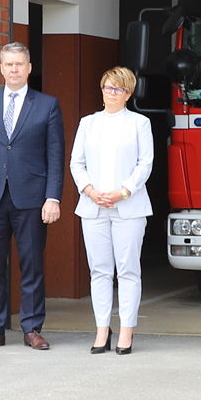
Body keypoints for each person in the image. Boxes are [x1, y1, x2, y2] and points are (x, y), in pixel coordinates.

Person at [0, 42, 65, 350]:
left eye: (19, 64)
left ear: (29, 68)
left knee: (32, 265)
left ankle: (32, 328)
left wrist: (53, 197)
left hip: (32, 197)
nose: (14, 69)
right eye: (9, 64)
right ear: (1, 68)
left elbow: (55, 155)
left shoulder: (47, 105)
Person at [69, 67, 156, 355]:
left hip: (129, 205)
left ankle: (127, 330)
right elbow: (76, 162)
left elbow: (145, 163)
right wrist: (89, 190)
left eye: (118, 89)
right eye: (108, 87)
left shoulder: (139, 123)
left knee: (128, 269)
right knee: (99, 270)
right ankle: (102, 329)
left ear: (128, 94)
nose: (111, 93)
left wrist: (123, 191)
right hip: (93, 206)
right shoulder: (88, 123)